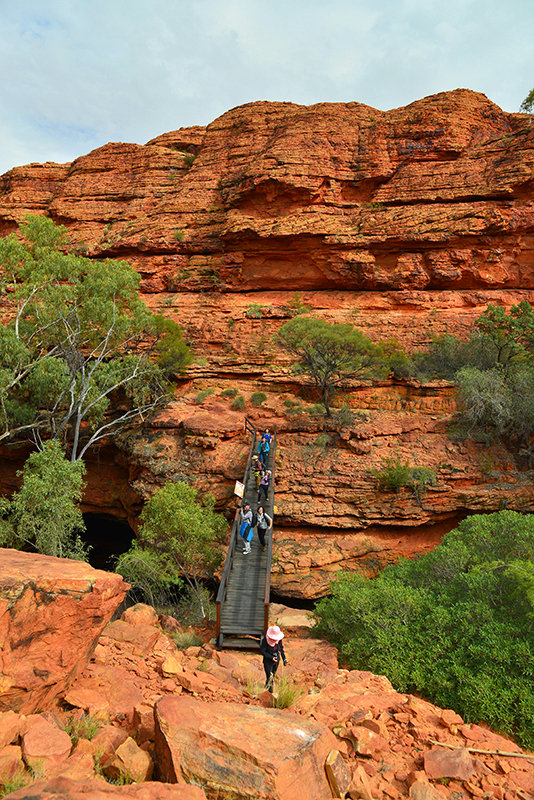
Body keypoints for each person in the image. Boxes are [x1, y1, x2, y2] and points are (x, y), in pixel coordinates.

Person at [259, 625, 287, 690]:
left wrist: (284, 659)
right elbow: (262, 651)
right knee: (269, 676)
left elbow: (281, 649)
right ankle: (270, 692)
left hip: (276, 660)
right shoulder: (265, 640)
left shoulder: (279, 640)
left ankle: (267, 686)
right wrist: (271, 657)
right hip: (268, 661)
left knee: (272, 675)